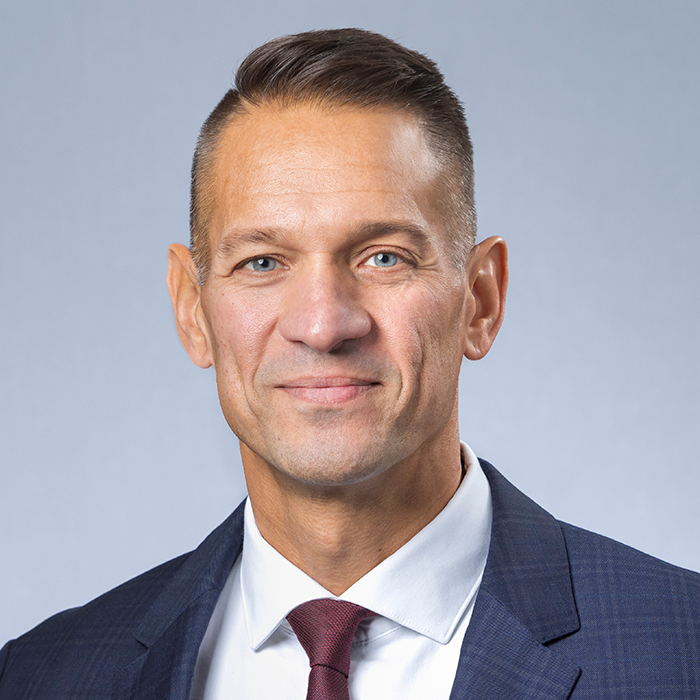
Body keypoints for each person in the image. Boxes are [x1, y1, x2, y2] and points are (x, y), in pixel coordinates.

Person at [1, 27, 699, 700]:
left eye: (383, 257)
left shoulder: (682, 655)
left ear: (481, 300)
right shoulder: (40, 677)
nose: (323, 324)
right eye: (263, 261)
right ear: (193, 310)